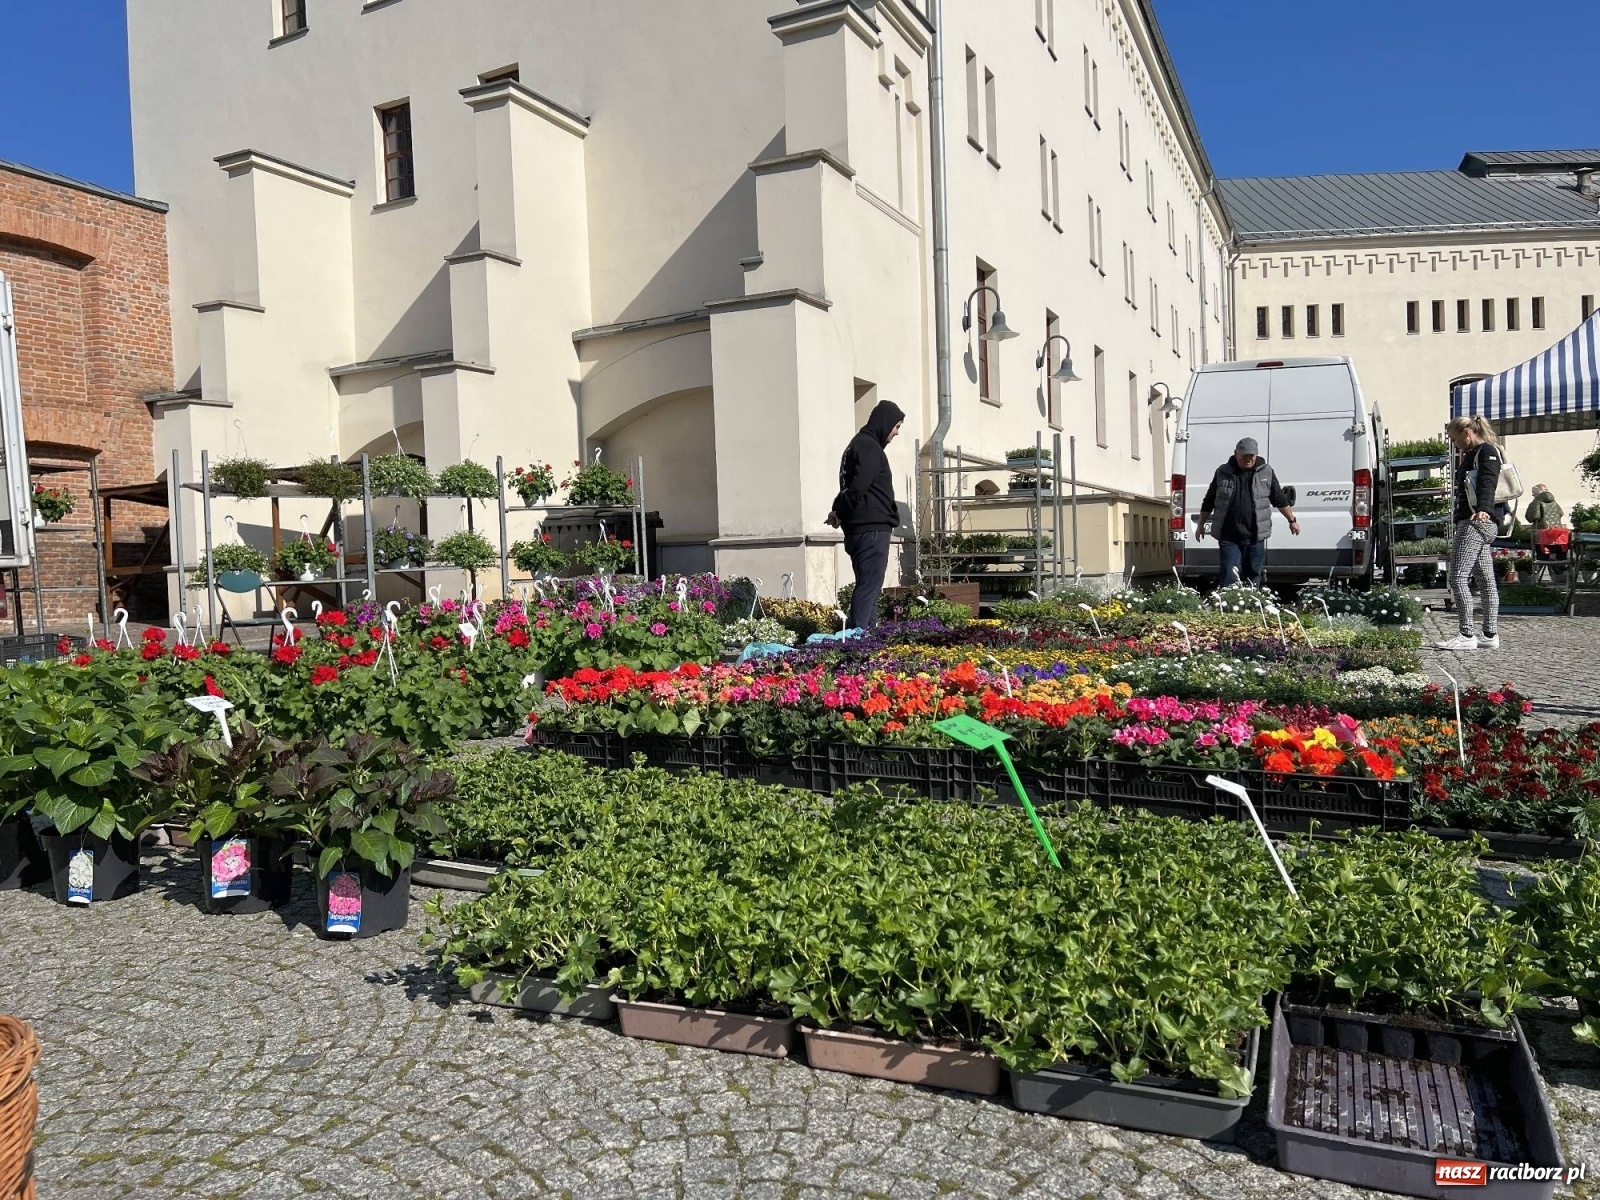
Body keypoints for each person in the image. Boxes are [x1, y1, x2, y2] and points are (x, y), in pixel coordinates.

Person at [826, 400, 905, 630]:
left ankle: (866, 637)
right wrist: (840, 510)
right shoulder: (868, 446)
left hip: (861, 529)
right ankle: (857, 638)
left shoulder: (858, 445)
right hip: (871, 529)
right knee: (868, 586)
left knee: (868, 586)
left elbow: (849, 486)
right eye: (896, 426)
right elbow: (858, 486)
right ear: (885, 423)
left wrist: (838, 511)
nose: (897, 433)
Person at [1194, 437, 1300, 587]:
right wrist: (1201, 525)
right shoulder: (1222, 472)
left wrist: (1292, 521)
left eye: (1252, 456)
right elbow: (1209, 500)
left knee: (1253, 576)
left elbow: (1279, 499)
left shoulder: (1266, 471)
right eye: (1245, 456)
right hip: (1229, 535)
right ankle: (1230, 607)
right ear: (1236, 453)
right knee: (1230, 576)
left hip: (1255, 536)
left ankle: (1252, 607)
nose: (1249, 459)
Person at [1438, 414, 1502, 651]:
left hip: (1475, 521)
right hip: (1480, 521)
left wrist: (1484, 509)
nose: (1455, 445)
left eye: (1455, 439)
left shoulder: (1485, 452)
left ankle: (1466, 635)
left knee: (1457, 577)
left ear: (1466, 432)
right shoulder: (1478, 453)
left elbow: (1488, 480)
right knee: (1485, 580)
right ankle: (1489, 634)